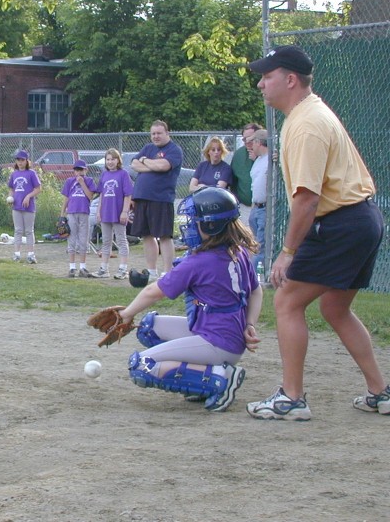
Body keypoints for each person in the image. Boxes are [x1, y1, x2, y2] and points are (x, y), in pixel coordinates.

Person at [245, 45, 389, 420]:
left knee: (287, 301)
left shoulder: (306, 123)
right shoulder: (308, 114)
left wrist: (287, 252)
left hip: (340, 222)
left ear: (290, 79)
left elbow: (307, 200)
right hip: (361, 219)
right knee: (335, 307)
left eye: (267, 75)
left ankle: (292, 398)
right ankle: (382, 392)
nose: (261, 83)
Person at [109, 187, 262, 412]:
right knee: (149, 328)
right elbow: (256, 291)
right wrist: (250, 324)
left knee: (141, 365)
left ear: (211, 225)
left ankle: (220, 378)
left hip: (218, 343)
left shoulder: (200, 261)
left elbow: (154, 292)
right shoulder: (237, 250)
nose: (190, 225)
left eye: (195, 220)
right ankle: (201, 379)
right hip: (225, 334)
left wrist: (126, 314)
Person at [130, 120, 183, 279]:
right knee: (147, 235)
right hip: (142, 197)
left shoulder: (174, 150)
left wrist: (145, 161)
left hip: (161, 198)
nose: (156, 136)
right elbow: (133, 164)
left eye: (159, 133)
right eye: (153, 133)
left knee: (164, 236)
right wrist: (152, 165)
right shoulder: (148, 148)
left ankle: (168, 272)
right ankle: (151, 271)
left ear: (167, 133)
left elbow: (163, 167)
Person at [90, 148, 133, 280]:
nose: (110, 162)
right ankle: (104, 269)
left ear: (118, 160)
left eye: (113, 159)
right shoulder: (104, 175)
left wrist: (125, 212)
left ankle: (123, 269)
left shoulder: (123, 174)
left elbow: (128, 195)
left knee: (121, 239)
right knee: (106, 241)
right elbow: (102, 194)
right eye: (108, 159)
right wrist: (98, 211)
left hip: (118, 212)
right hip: (106, 212)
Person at [60, 159, 97, 277]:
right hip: (71, 212)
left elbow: (90, 196)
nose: (79, 172)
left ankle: (82, 267)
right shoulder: (69, 181)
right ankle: (72, 267)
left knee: (83, 240)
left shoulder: (89, 181)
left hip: (84, 212)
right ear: (74, 171)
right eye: (76, 170)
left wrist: (82, 183)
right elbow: (66, 198)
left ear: (86, 170)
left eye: (81, 170)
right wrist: (62, 214)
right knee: (71, 239)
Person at [7, 149, 41, 264]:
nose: (20, 162)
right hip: (16, 206)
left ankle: (31, 255)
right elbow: (11, 188)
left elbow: (38, 189)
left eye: (22, 160)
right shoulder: (14, 174)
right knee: (18, 231)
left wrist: (28, 196)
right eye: (18, 160)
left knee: (29, 231)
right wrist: (10, 197)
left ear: (27, 161)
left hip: (28, 206)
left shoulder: (31, 173)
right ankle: (17, 254)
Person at [248, 129, 269, 270]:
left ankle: (257, 275)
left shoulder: (271, 159)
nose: (251, 146)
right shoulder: (258, 161)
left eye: (252, 142)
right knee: (255, 243)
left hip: (264, 207)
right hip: (255, 207)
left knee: (261, 244)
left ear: (258, 142)